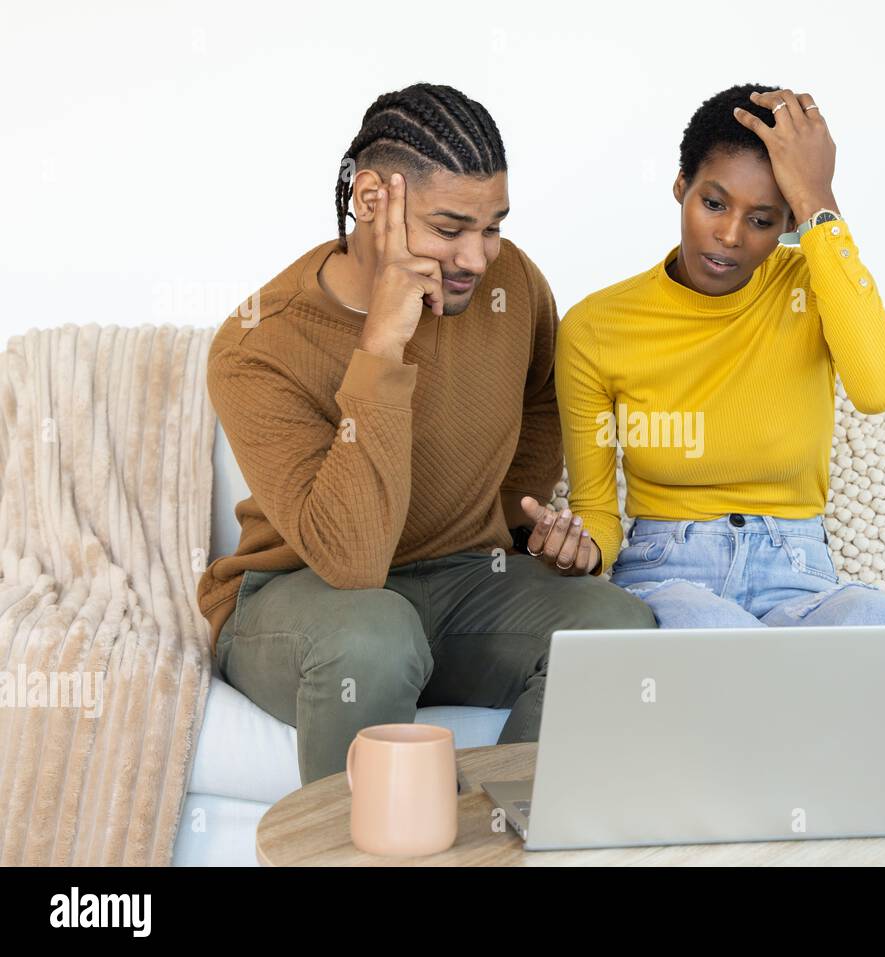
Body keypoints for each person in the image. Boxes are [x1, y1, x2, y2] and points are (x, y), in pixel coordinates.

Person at [197, 83, 656, 785]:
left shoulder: (513, 285)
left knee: (615, 629)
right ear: (370, 200)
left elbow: (540, 397)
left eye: (493, 226)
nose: (478, 257)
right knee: (374, 640)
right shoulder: (258, 343)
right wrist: (382, 346)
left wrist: (520, 525)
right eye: (449, 228)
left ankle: (499, 826)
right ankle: (354, 842)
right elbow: (352, 561)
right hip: (306, 597)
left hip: (466, 581)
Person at [551, 84, 885, 629]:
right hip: (668, 574)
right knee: (718, 635)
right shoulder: (596, 325)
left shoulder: (814, 285)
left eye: (762, 220)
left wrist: (818, 200)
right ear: (681, 186)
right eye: (714, 203)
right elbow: (598, 513)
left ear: (788, 224)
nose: (728, 235)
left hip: (798, 571)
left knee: (881, 622)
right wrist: (580, 550)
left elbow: (878, 389)